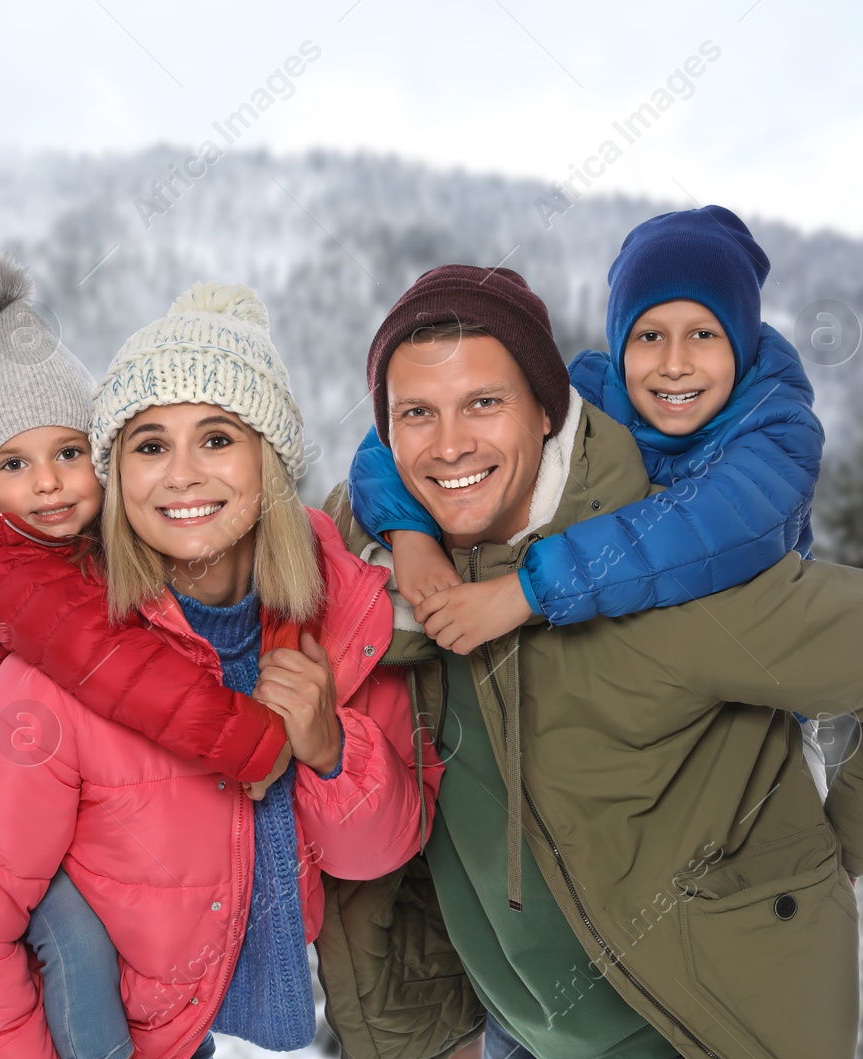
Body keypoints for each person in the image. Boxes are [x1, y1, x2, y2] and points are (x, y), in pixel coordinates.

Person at [315, 264, 863, 1059]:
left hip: (694, 1039)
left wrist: (844, 855)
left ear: (546, 409)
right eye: (417, 414)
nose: (451, 442)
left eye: (484, 403)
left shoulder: (661, 568)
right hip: (517, 1038)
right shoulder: (380, 580)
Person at [0, 281, 440, 1059]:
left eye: (218, 438)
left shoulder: (344, 623)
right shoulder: (71, 670)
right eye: (151, 445)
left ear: (270, 462)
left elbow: (379, 851)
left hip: (187, 1038)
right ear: (119, 475)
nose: (182, 474)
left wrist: (332, 750)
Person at [0, 252, 295, 1059]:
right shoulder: (3, 568)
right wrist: (244, 737)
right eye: (13, 464)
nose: (48, 484)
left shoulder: (74, 550)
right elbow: (110, 663)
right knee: (72, 939)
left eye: (70, 453)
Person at [347, 207, 831, 795]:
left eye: (704, 334)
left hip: (756, 709)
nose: (675, 364)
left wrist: (528, 590)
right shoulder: (596, 393)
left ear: (744, 338)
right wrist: (412, 536)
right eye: (649, 336)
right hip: (632, 689)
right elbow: (391, 442)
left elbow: (703, 530)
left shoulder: (778, 429)